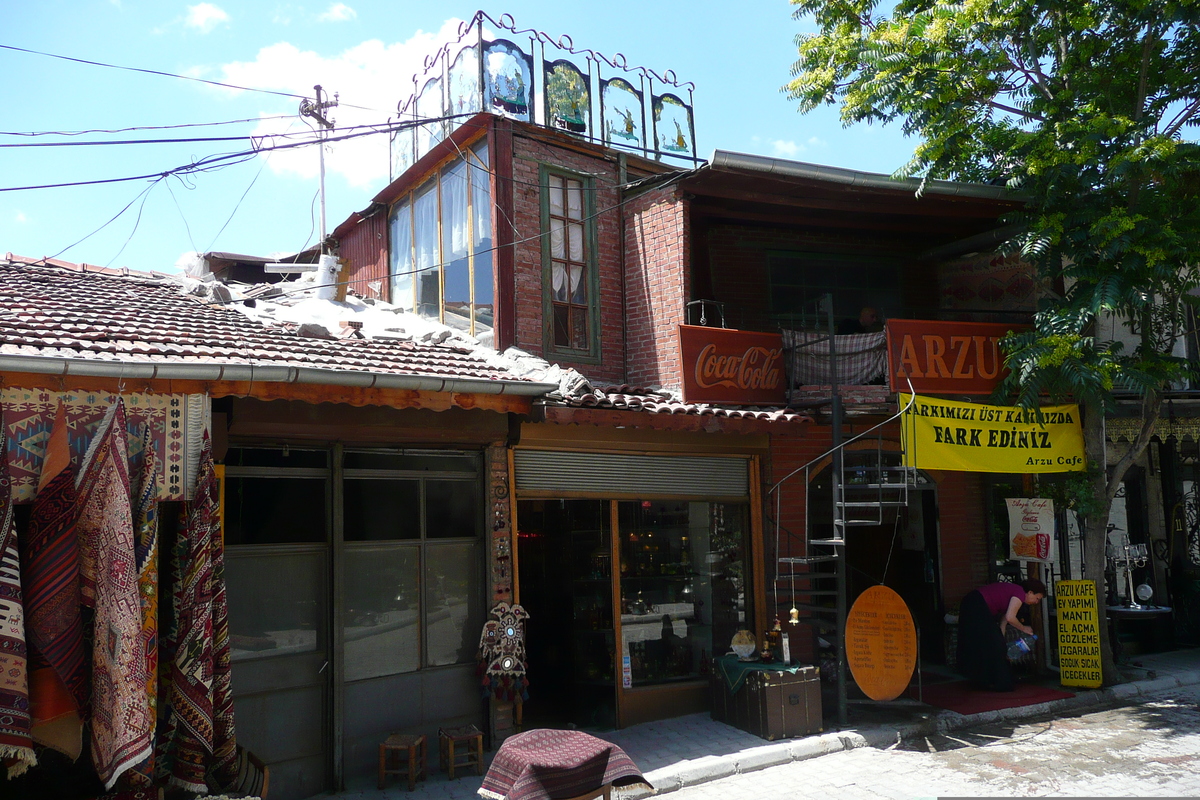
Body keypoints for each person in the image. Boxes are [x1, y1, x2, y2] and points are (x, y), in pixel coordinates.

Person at [956, 578, 1046, 691]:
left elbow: (1004, 621)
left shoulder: (1014, 595)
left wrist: (1001, 641)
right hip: (977, 604)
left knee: (991, 644)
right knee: (988, 644)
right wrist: (1024, 628)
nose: (1036, 602)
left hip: (974, 604)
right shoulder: (1019, 593)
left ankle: (987, 679)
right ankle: (997, 681)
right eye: (1037, 598)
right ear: (1030, 592)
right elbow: (1010, 617)